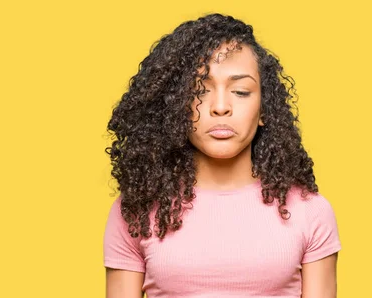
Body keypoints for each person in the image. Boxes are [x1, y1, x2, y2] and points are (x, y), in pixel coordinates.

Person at [103, 13, 341, 298]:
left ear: (265, 109)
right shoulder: (137, 210)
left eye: (240, 91)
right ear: (177, 106)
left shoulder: (311, 212)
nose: (220, 107)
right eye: (200, 90)